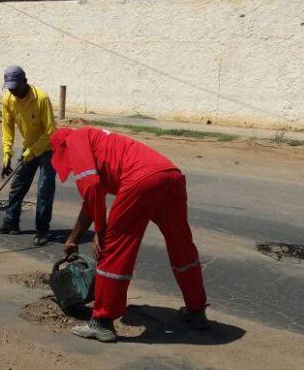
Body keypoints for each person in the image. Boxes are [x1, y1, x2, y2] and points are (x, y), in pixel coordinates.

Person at [52, 127, 210, 342]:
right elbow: (91, 202)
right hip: (170, 175)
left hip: (141, 179)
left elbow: (91, 187)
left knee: (114, 248)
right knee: (181, 244)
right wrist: (73, 239)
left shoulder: (75, 139)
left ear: (62, 147)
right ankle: (196, 310)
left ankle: (102, 322)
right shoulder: (99, 142)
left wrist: (100, 231)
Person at [0, 65, 57, 247]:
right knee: (17, 186)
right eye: (9, 87)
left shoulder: (41, 98)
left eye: (15, 87)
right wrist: (7, 153)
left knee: (44, 190)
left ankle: (42, 231)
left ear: (25, 82)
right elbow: (7, 128)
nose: (12, 91)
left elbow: (51, 132)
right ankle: (10, 223)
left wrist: (32, 151)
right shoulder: (8, 99)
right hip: (28, 147)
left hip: (48, 149)